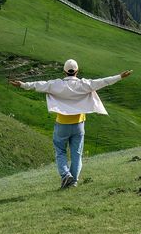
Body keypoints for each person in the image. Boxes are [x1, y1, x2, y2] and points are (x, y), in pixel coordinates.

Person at [9, 59, 133, 188]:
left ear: (64, 71)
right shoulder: (84, 84)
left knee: (60, 151)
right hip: (79, 124)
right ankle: (73, 182)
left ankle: (66, 175)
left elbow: (38, 85)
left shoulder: (56, 85)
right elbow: (103, 82)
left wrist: (22, 84)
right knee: (77, 155)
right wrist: (120, 76)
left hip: (62, 124)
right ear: (77, 71)